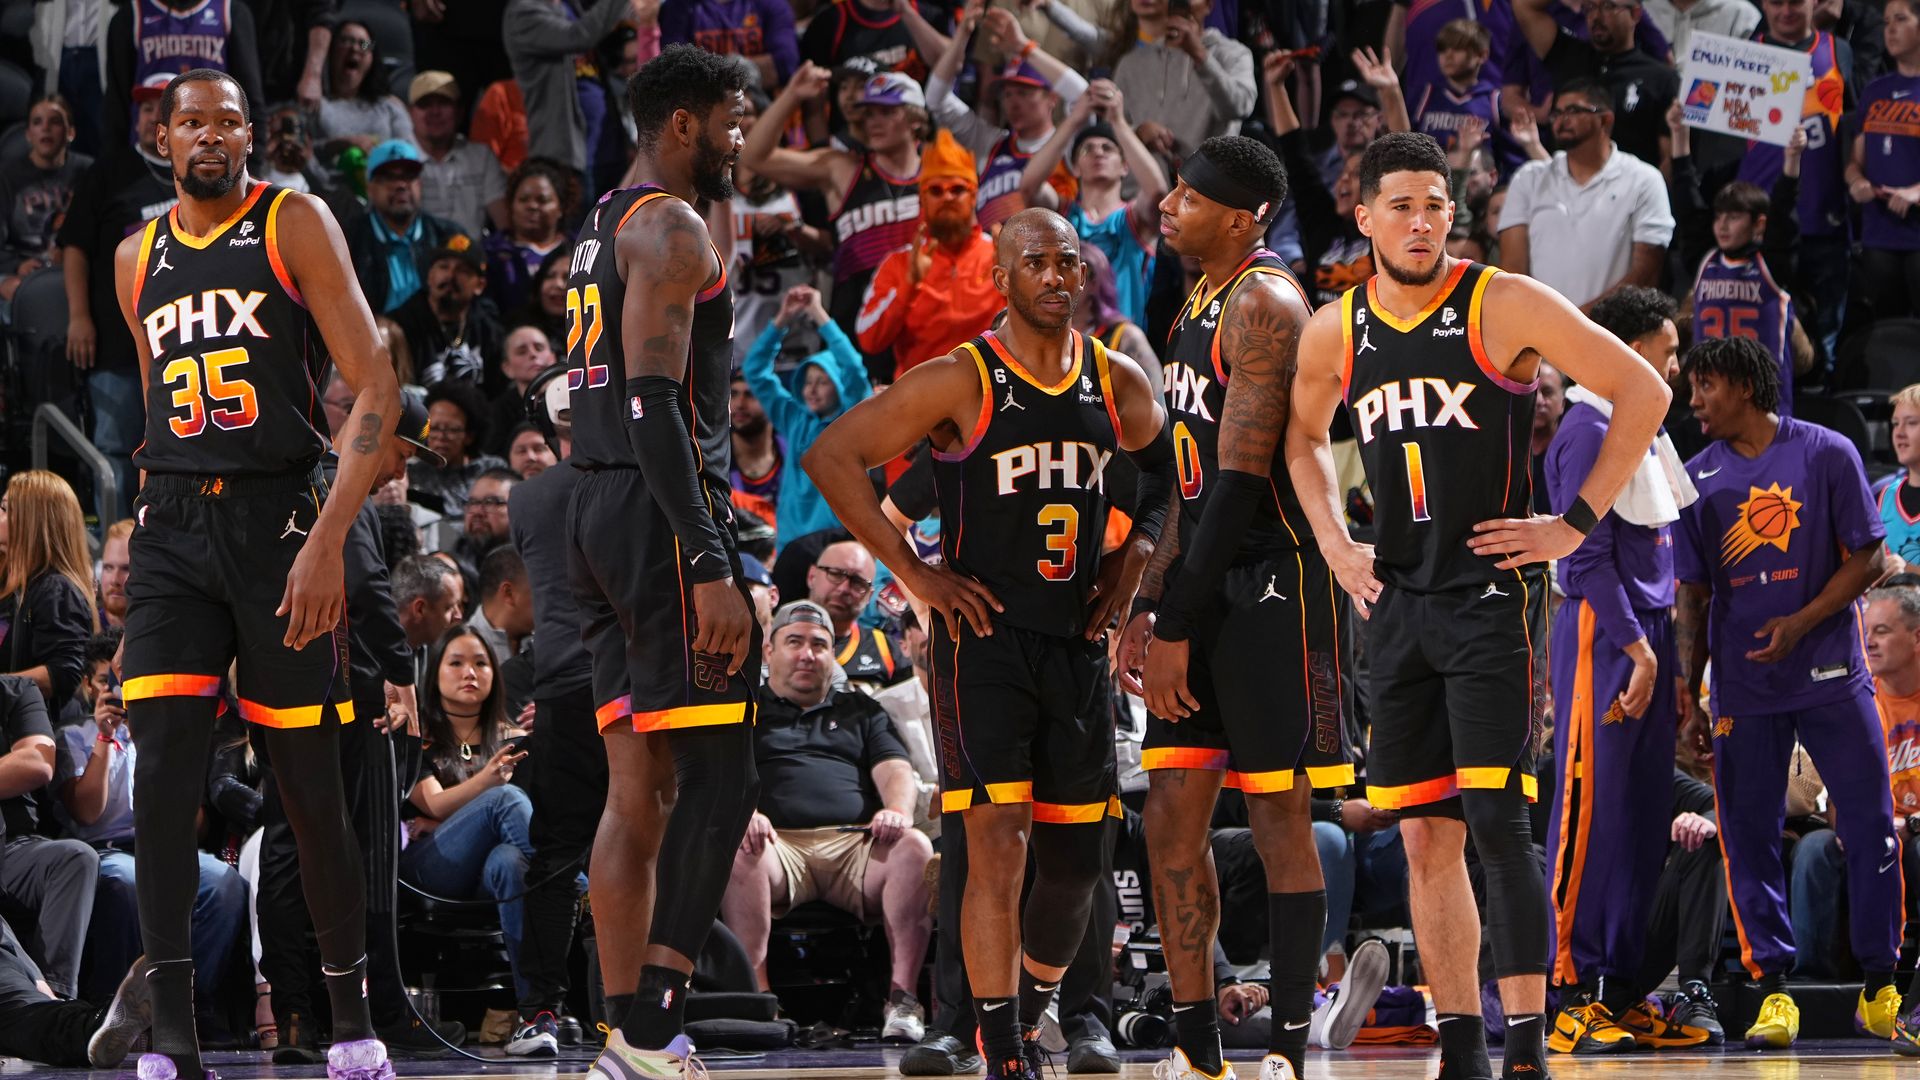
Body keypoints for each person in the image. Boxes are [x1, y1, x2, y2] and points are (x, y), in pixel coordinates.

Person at [1286, 131, 1672, 1080]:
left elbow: (1643, 388)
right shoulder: (1336, 327)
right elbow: (1299, 440)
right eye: (1402, 206)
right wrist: (1336, 545)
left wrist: (1572, 526)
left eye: (1436, 205)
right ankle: (1462, 1048)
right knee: (1423, 832)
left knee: (1500, 826)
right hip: (1396, 603)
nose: (1422, 222)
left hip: (1489, 601)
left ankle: (1528, 1050)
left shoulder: (1500, 301)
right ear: (1364, 214)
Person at [804, 206, 1173, 1080]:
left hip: (1078, 649)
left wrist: (1134, 564)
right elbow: (831, 457)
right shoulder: (959, 378)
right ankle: (998, 1044)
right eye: (1035, 262)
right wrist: (917, 576)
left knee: (1079, 863)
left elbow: (1166, 477)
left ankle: (1032, 1009)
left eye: (1068, 262)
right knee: (997, 840)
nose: (1055, 276)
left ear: (1086, 276)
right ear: (1000, 277)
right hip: (985, 646)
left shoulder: (1116, 379)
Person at [103, 67, 402, 1080]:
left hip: (281, 526)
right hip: (174, 533)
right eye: (192, 122)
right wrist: (145, 535)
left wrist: (325, 541)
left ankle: (352, 1020)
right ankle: (174, 1038)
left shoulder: (293, 220)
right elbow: (152, 411)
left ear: (249, 136)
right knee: (164, 785)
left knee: (309, 788)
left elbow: (376, 385)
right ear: (163, 136)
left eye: (228, 121)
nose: (210, 136)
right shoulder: (133, 256)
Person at [1106, 135, 1346, 1080]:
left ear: (1244, 217)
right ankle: (1194, 1044)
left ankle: (1288, 1044)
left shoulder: (1265, 302)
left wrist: (1174, 625)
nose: (1169, 205)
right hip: (1203, 575)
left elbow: (1242, 485)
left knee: (1281, 814)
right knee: (1171, 813)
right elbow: (1188, 487)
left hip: (1275, 585)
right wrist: (1147, 599)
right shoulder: (1191, 308)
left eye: (1191, 197)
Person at [564, 46, 760, 1078]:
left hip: (593, 509)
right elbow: (651, 401)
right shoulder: (674, 226)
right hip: (656, 509)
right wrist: (707, 556)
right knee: (725, 774)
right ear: (682, 124)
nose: (743, 137)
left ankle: (620, 1027)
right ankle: (650, 1029)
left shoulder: (601, 223)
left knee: (638, 786)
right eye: (733, 118)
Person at [1673, 336, 1902, 1049]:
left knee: (1869, 825)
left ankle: (1880, 984)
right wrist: (1689, 691)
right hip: (1744, 683)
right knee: (1747, 838)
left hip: (1832, 671)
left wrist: (1801, 622)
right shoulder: (1694, 477)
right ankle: (1773, 992)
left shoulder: (1828, 452)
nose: (1693, 401)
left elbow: (1868, 556)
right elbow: (1693, 593)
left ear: (1743, 385)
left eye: (1704, 386)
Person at [1540, 286, 1709, 1052]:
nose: (1674, 365)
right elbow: (1586, 554)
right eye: (1664, 351)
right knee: (1589, 810)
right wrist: (1636, 645)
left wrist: (1666, 652)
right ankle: (1564, 990)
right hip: (1602, 633)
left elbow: (1660, 554)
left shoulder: (1644, 428)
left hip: (1647, 633)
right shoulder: (1584, 425)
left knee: (1641, 819)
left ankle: (1620, 988)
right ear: (1623, 349)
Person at [719, 600, 935, 1038]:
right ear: (768, 652)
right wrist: (745, 814)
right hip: (777, 846)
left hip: (853, 844)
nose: (807, 654)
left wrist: (896, 810)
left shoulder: (862, 709)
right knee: (741, 847)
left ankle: (903, 1002)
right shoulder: (745, 709)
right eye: (794, 642)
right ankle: (759, 1001)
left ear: (833, 653)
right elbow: (720, 776)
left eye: (819, 644)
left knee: (914, 846)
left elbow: (895, 770)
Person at [504, 392, 601, 1054]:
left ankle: (540, 1010)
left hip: (564, 684)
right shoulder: (635, 478)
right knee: (645, 848)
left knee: (558, 854)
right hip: (630, 681)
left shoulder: (526, 498)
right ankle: (640, 1013)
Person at [741, 65, 926, 378]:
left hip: (924, 322)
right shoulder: (842, 169)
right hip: (857, 325)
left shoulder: (941, 172)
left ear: (916, 119)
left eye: (886, 112)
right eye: (868, 114)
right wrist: (792, 95)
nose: (874, 123)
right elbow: (753, 157)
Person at [400, 625, 543, 1011]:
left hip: (489, 872)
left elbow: (530, 819)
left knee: (510, 862)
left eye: (481, 663)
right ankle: (570, 887)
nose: (470, 673)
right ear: (435, 673)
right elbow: (432, 805)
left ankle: (535, 1010)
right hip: (431, 866)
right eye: (457, 663)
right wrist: (486, 784)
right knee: (504, 798)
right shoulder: (414, 734)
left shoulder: (517, 738)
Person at [58, 78, 179, 522]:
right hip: (116, 345)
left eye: (159, 109)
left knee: (177, 452)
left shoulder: (200, 176)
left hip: (181, 343)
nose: (150, 118)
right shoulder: (108, 172)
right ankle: (116, 549)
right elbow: (73, 247)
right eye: (144, 110)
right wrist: (78, 316)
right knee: (115, 447)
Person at [1741, 0, 1855, 367]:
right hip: (1761, 224)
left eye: (1796, 1)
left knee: (1824, 348)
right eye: (1776, 2)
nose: (1786, 10)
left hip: (1825, 219)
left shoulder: (1839, 50)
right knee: (1757, 345)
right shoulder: (1741, 53)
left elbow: (1853, 130)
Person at [1498, 79, 1673, 309]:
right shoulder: (1529, 178)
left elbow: (1645, 274)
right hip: (1539, 332)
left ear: (1605, 119)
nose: (1562, 120)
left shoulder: (1643, 179)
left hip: (1613, 333)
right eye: (1557, 113)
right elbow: (1513, 271)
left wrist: (1582, 324)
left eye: (1573, 111)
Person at [1015, 79, 1167, 325]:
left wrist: (1118, 121)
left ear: (1125, 166)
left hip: (1121, 347)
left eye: (1108, 148)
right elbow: (1029, 186)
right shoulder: (1061, 217)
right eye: (1087, 149)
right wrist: (1075, 118)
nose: (1098, 152)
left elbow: (1158, 193)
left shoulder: (1135, 218)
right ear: (1074, 168)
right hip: (1069, 348)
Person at [920, 7, 1086, 228]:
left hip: (1049, 251)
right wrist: (962, 35)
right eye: (1007, 94)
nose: (1013, 102)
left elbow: (1084, 96)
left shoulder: (1068, 141)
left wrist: (1024, 48)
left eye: (1024, 93)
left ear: (1052, 98)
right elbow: (935, 102)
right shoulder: (992, 143)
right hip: (995, 256)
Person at [857, 131, 1000, 377]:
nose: (947, 197)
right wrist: (909, 285)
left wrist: (1016, 276)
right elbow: (869, 339)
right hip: (921, 402)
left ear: (974, 196)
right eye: (936, 190)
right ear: (922, 199)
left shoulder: (999, 255)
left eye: (957, 189)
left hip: (991, 393)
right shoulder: (898, 263)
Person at [740, 286, 873, 548]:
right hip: (790, 543)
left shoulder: (851, 422)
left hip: (835, 542)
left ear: (839, 384)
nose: (811, 390)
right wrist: (781, 321)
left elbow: (855, 369)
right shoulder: (794, 418)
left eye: (822, 382)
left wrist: (818, 314)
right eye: (807, 381)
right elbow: (754, 369)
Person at [1859, 587, 1920, 1051]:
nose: (1870, 643)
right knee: (1818, 851)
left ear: (1916, 638)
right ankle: (1873, 990)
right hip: (1882, 828)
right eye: (1865, 633)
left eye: (1881, 631)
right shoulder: (1858, 699)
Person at [1511, 0, 1678, 168]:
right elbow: (1523, 5)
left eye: (1608, 6)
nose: (1596, 16)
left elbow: (1668, 159)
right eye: (1590, 7)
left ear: (1635, 14)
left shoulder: (1661, 78)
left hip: (1631, 189)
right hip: (1563, 187)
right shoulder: (1567, 54)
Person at [1, 471, 98, 709]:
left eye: (5, 510)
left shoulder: (57, 590)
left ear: (31, 522)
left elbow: (64, 671)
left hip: (37, 736)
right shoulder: (12, 584)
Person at [1850, 0, 1920, 319]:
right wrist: (1857, 182)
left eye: (1901, 20)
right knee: (1887, 334)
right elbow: (1855, 161)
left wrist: (1915, 192)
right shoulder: (1875, 91)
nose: (1889, 29)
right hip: (1878, 233)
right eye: (1887, 20)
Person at [344, 139, 472, 313]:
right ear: (370, 188)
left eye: (409, 176)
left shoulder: (449, 236)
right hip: (373, 336)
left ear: (419, 184)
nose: (400, 185)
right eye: (389, 177)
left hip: (439, 336)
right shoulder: (348, 239)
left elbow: (476, 300)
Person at [0, 96, 90, 305]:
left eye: (55, 121)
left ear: (70, 132)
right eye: (37, 122)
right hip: (20, 270)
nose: (45, 128)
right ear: (28, 135)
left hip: (74, 267)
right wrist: (17, 266)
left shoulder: (89, 172)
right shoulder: (6, 177)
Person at [393, 239, 505, 390]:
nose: (450, 275)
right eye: (443, 267)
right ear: (430, 277)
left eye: (463, 270)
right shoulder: (402, 325)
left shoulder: (489, 330)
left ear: (480, 285)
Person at [409, 71, 510, 238]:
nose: (435, 111)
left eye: (443, 103)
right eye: (425, 104)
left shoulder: (481, 156)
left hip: (473, 258)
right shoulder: (398, 159)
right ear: (410, 112)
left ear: (460, 111)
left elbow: (504, 224)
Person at [805, 541, 911, 691]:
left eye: (858, 582)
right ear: (812, 576)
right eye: (835, 574)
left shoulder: (886, 650)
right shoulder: (772, 638)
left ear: (869, 595)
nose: (844, 588)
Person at [310, 22, 415, 172]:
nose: (355, 49)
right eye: (346, 41)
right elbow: (304, 153)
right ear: (330, 50)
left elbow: (409, 153)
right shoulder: (314, 103)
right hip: (323, 189)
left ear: (372, 58)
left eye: (364, 44)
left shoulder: (389, 105)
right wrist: (341, 144)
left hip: (382, 187)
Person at [485, 160, 574, 315]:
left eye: (542, 200)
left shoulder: (580, 248)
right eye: (523, 200)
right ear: (511, 205)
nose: (532, 206)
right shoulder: (492, 252)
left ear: (561, 207)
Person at [409, 382, 510, 516]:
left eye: (452, 429)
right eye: (434, 428)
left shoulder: (491, 469)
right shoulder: (414, 474)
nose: (441, 437)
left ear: (469, 436)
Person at [489, 327, 561, 453]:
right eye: (522, 352)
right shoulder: (497, 412)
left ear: (553, 357)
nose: (533, 354)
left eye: (539, 348)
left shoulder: (574, 396)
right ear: (507, 368)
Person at [466, 547, 535, 665]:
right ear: (508, 593)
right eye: (539, 592)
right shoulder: (461, 649)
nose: (548, 600)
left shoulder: (543, 643)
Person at [1881, 385, 1920, 568]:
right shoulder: (1885, 495)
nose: (1899, 433)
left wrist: (1905, 568)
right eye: (1896, 423)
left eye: (1911, 423)